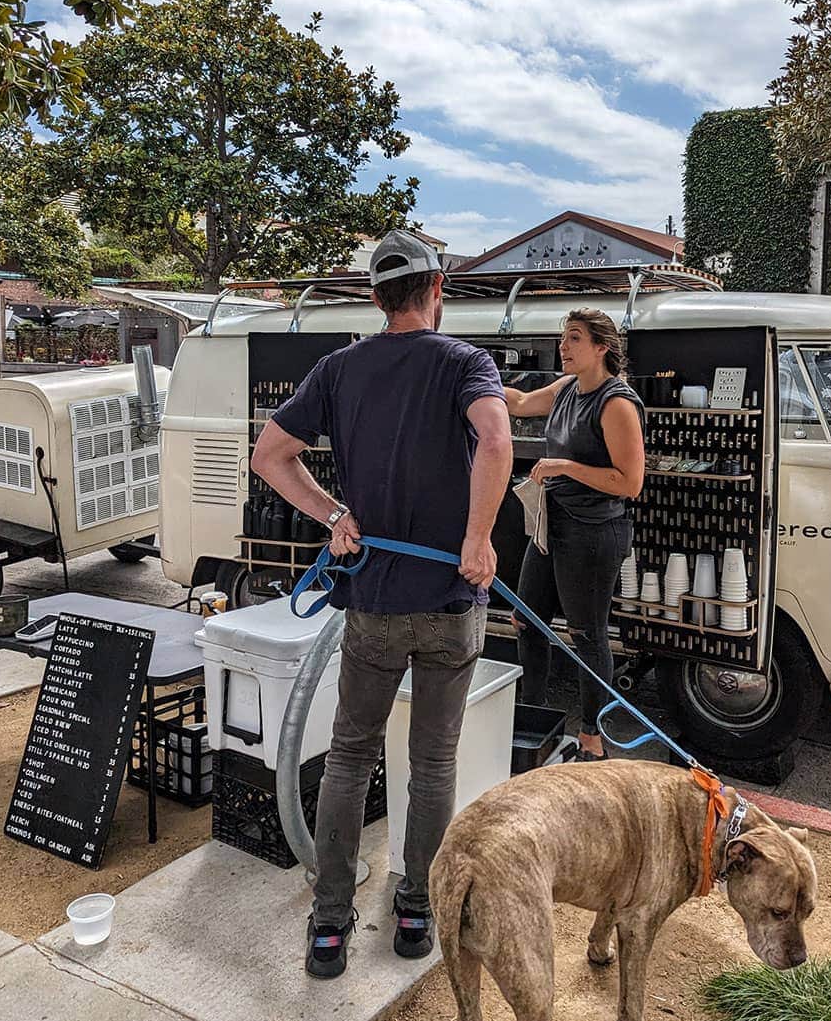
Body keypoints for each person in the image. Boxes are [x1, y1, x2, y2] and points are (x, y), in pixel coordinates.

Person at [251, 230, 512, 980]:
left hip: (371, 602)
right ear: (437, 290)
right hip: (449, 600)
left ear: (375, 298)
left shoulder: (338, 368)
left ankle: (330, 923)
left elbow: (269, 456)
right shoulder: (465, 362)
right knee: (432, 762)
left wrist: (334, 515)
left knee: (349, 757)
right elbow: (497, 441)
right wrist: (477, 538)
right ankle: (416, 912)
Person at [504, 309, 645, 761]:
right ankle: (533, 717)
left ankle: (592, 738)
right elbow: (520, 403)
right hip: (554, 523)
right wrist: (471, 380)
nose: (563, 346)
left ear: (601, 347)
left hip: (594, 531)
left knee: (587, 634)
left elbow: (630, 483)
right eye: (563, 338)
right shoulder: (567, 388)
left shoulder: (615, 403)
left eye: (574, 338)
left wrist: (564, 466)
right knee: (526, 618)